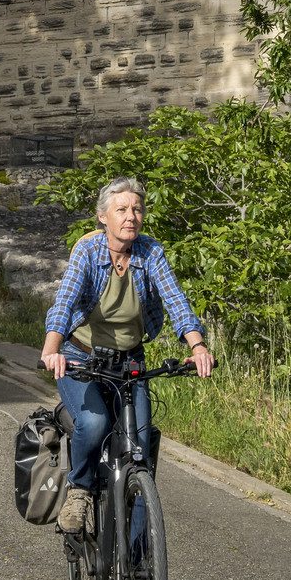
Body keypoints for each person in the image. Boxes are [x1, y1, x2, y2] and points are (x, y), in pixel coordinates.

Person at [41, 174, 214, 537]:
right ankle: (80, 489)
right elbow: (65, 302)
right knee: (95, 424)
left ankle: (138, 573)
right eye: (121, 209)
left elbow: (177, 301)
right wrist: (51, 349)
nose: (130, 216)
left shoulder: (151, 252)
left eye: (136, 209)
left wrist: (197, 345)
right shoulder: (87, 251)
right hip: (80, 356)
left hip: (129, 359)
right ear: (104, 216)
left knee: (140, 454)